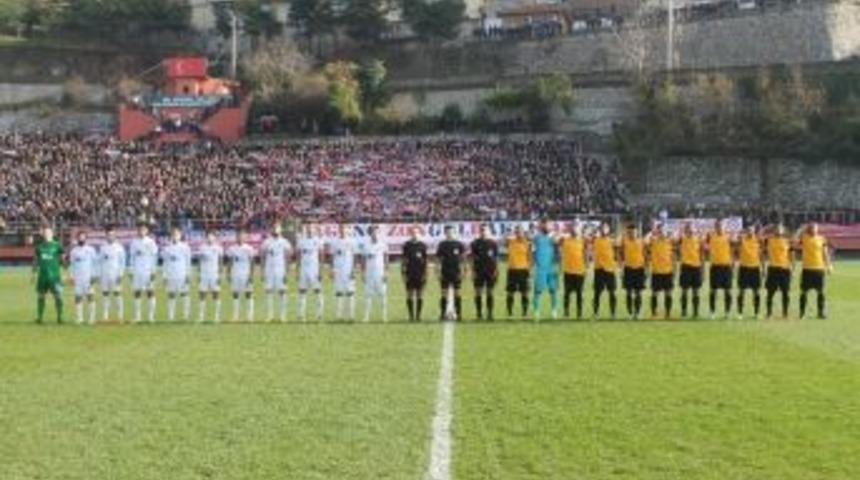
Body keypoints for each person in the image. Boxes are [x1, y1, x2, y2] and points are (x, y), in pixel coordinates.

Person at [797, 223, 832, 319]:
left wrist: (829, 265)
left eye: (816, 228)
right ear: (809, 229)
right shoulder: (804, 237)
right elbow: (795, 239)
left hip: (819, 269)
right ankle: (802, 313)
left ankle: (820, 313)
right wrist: (801, 229)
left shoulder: (822, 239)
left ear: (818, 229)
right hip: (807, 269)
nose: (814, 230)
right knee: (803, 292)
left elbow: (825, 253)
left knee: (821, 292)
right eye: (812, 228)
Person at [33, 226, 64, 324]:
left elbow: (63, 260)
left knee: (58, 296)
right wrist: (33, 273)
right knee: (41, 296)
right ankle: (40, 318)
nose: (46, 234)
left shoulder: (57, 245)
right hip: (42, 276)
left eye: (48, 232)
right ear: (43, 234)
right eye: (45, 233)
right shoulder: (39, 247)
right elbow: (36, 261)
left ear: (52, 234)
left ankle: (60, 317)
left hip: (55, 276)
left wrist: (68, 273)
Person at [261, 224, 291, 322]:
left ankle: (282, 316)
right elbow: (263, 257)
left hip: (280, 269)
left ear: (280, 229)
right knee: (268, 291)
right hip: (269, 270)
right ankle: (269, 316)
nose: (275, 230)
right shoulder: (266, 242)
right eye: (273, 228)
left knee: (282, 291)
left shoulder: (285, 242)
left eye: (277, 228)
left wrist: (287, 271)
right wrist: (262, 271)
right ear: (271, 229)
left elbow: (288, 257)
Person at [129, 224, 159, 323]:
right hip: (137, 271)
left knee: (150, 293)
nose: (142, 231)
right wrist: (131, 271)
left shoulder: (151, 242)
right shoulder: (134, 242)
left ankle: (151, 317)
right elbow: (132, 258)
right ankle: (137, 316)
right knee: (137, 293)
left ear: (147, 231)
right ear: (138, 231)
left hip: (148, 271)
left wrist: (153, 271)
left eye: (144, 230)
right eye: (140, 229)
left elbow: (154, 257)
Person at [162, 227, 192, 322]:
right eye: (173, 235)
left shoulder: (185, 247)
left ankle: (186, 315)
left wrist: (188, 274)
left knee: (185, 294)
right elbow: (165, 263)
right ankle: (171, 316)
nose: (175, 236)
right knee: (171, 295)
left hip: (182, 274)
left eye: (177, 234)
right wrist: (164, 276)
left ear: (180, 235)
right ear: (171, 236)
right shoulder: (166, 248)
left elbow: (188, 262)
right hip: (171, 274)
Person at [531, 219, 559, 321]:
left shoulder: (554, 238)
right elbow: (532, 252)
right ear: (542, 226)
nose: (548, 227)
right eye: (546, 225)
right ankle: (536, 312)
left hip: (552, 268)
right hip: (540, 268)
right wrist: (532, 265)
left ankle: (554, 311)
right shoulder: (537, 238)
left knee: (553, 290)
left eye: (549, 225)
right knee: (538, 291)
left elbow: (558, 247)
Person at [436, 225, 466, 321]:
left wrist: (464, 270)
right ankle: (442, 314)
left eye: (452, 232)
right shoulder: (442, 245)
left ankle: (459, 314)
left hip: (456, 272)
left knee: (457, 293)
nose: (450, 234)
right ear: (445, 233)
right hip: (445, 272)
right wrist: (438, 271)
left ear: (455, 233)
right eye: (448, 232)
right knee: (444, 294)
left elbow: (464, 259)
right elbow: (438, 260)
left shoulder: (459, 244)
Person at [470, 224, 499, 321]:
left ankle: (490, 313)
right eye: (482, 230)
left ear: (489, 231)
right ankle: (479, 314)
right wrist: (473, 271)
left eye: (485, 230)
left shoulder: (493, 243)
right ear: (479, 231)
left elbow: (496, 259)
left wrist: (496, 270)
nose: (483, 232)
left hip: (490, 271)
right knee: (478, 292)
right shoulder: (475, 243)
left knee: (490, 292)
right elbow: (472, 259)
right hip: (479, 271)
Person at [707, 219, 734, 319]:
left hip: (726, 267)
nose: (719, 227)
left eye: (721, 225)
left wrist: (733, 262)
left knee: (728, 291)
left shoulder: (729, 236)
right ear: (715, 227)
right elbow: (704, 245)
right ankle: (712, 312)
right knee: (713, 290)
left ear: (724, 226)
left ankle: (727, 312)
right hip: (715, 267)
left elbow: (734, 248)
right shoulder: (710, 236)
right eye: (717, 225)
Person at [330, 224, 358, 321]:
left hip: (348, 270)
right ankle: (339, 316)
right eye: (341, 228)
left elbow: (355, 256)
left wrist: (354, 269)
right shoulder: (334, 242)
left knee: (350, 292)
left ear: (347, 230)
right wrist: (332, 269)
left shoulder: (352, 241)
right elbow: (332, 256)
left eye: (344, 228)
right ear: (338, 230)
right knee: (339, 292)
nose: (342, 230)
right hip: (338, 270)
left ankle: (351, 316)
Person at [227, 229, 256, 322]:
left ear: (245, 237)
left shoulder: (249, 248)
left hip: (246, 274)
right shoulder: (232, 249)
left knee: (249, 294)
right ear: (236, 237)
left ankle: (249, 316)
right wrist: (228, 273)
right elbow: (230, 262)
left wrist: (251, 275)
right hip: (235, 273)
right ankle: (235, 316)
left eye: (241, 236)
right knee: (235, 294)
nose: (239, 238)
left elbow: (252, 263)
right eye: (238, 236)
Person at [765, 223, 792, 319]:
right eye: (777, 229)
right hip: (773, 269)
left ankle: (785, 313)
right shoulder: (768, 240)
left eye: (780, 229)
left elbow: (791, 254)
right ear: (774, 230)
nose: (778, 231)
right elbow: (759, 236)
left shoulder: (787, 241)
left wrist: (792, 266)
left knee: (785, 292)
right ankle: (769, 313)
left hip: (785, 269)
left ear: (783, 231)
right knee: (770, 292)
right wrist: (767, 227)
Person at [98, 227, 126, 322]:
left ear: (115, 236)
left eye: (112, 235)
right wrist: (100, 275)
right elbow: (100, 261)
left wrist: (120, 274)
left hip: (115, 274)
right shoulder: (102, 247)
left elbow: (123, 262)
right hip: (104, 274)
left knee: (117, 293)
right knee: (105, 294)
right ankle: (105, 316)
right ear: (106, 236)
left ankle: (120, 316)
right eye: (108, 235)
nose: (110, 237)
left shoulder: (119, 247)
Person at [361, 226, 388, 322]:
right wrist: (363, 272)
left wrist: (386, 272)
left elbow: (386, 258)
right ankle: (366, 317)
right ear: (370, 233)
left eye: (377, 232)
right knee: (368, 295)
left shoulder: (383, 244)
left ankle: (384, 316)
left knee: (383, 294)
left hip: (380, 273)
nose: (375, 234)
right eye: (373, 232)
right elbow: (363, 260)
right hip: (369, 273)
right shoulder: (366, 245)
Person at [297, 227, 325, 321]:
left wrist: (321, 270)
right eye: (308, 228)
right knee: (302, 291)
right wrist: (297, 269)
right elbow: (298, 256)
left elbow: (322, 256)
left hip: (314, 269)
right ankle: (301, 315)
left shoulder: (318, 241)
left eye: (311, 228)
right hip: (304, 269)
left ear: (314, 230)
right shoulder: (301, 241)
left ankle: (319, 315)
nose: (309, 230)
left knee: (317, 290)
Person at [560, 221, 587, 319]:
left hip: (580, 271)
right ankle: (566, 312)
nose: (574, 230)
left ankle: (579, 313)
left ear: (578, 229)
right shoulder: (564, 240)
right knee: (567, 293)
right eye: (572, 228)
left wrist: (586, 267)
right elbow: (554, 241)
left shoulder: (582, 240)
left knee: (579, 293)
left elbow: (585, 254)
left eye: (576, 228)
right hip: (568, 271)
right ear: (570, 230)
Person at [648, 222, 675, 319]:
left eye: (663, 230)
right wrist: (653, 231)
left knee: (668, 292)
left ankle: (668, 313)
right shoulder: (653, 241)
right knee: (654, 293)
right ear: (657, 231)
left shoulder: (670, 241)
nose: (661, 232)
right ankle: (654, 313)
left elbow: (673, 256)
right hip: (656, 272)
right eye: (659, 230)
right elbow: (646, 240)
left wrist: (674, 269)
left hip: (668, 271)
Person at [592, 221, 618, 319]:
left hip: (610, 270)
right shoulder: (595, 240)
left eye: (606, 228)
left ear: (609, 230)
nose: (604, 229)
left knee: (612, 292)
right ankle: (595, 313)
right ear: (600, 229)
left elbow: (619, 250)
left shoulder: (612, 241)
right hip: (599, 269)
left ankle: (613, 313)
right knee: (597, 293)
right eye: (602, 228)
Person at [70, 231, 97, 325]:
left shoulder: (91, 250)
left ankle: (91, 318)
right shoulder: (74, 251)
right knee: (78, 297)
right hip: (78, 277)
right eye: (79, 237)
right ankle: (79, 318)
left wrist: (94, 276)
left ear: (86, 238)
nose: (81, 239)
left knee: (90, 297)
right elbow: (72, 265)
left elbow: (95, 264)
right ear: (77, 238)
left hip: (88, 277)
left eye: (83, 237)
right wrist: (72, 276)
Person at [401, 227, 428, 322]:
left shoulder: (423, 245)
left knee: (420, 295)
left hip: (420, 274)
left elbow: (425, 261)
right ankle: (411, 316)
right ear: (410, 234)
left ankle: (418, 316)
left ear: (419, 233)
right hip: (410, 273)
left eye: (416, 232)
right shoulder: (406, 245)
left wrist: (425, 274)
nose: (414, 234)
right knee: (409, 295)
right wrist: (403, 274)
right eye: (412, 232)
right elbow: (404, 261)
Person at [678, 222, 705, 318]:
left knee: (696, 290)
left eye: (691, 228)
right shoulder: (682, 239)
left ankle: (695, 312)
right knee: (684, 290)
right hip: (685, 267)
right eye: (687, 228)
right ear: (685, 230)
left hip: (696, 267)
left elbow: (702, 255)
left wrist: (703, 269)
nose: (689, 230)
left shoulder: (699, 239)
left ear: (694, 229)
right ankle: (684, 311)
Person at [736, 225, 763, 319]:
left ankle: (756, 312)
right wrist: (741, 232)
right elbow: (737, 238)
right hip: (744, 268)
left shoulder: (758, 240)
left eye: (751, 231)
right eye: (748, 231)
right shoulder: (742, 240)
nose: (750, 232)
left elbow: (761, 255)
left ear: (754, 232)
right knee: (741, 291)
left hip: (755, 268)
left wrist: (762, 268)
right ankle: (740, 313)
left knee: (756, 291)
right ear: (746, 231)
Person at [197, 231, 224, 323]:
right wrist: (199, 274)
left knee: (216, 294)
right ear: (206, 238)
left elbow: (220, 262)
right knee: (202, 295)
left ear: (215, 238)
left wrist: (220, 275)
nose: (210, 238)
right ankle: (201, 317)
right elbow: (199, 262)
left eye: (212, 236)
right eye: (208, 236)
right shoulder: (202, 248)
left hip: (214, 274)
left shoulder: (219, 248)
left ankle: (217, 317)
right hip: (204, 274)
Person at [505, 225, 531, 318]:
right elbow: (503, 240)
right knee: (510, 292)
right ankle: (510, 313)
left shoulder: (527, 243)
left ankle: (524, 313)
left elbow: (529, 258)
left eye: (519, 231)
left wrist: (529, 271)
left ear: (523, 232)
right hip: (512, 270)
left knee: (525, 292)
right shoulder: (510, 241)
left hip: (523, 270)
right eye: (516, 232)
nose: (518, 233)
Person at [621, 223, 646, 320]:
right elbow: (620, 253)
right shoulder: (624, 241)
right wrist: (621, 266)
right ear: (627, 232)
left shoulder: (642, 242)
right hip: (628, 269)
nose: (632, 233)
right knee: (628, 292)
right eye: (629, 232)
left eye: (633, 231)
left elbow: (646, 254)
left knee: (638, 292)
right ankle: (630, 313)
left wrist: (646, 268)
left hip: (639, 269)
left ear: (637, 232)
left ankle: (638, 313)